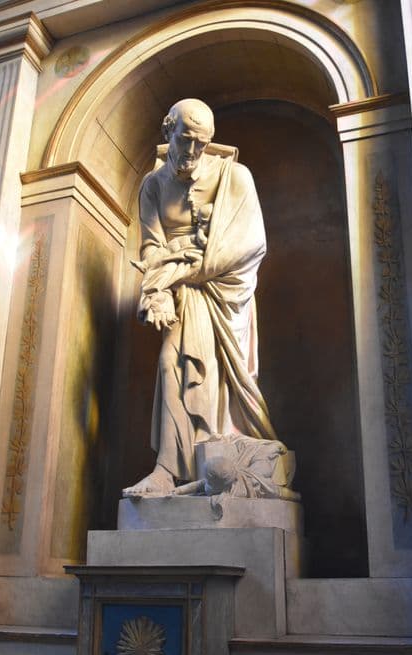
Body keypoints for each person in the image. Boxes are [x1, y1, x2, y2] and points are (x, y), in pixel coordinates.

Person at [123, 98, 278, 497]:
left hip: (225, 294)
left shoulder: (234, 176)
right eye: (185, 139)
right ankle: (167, 469)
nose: (192, 150)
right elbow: (151, 247)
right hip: (181, 294)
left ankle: (216, 464)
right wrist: (159, 292)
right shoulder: (153, 185)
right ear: (168, 130)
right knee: (170, 364)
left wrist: (176, 269)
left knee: (217, 377)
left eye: (201, 142)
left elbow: (250, 244)